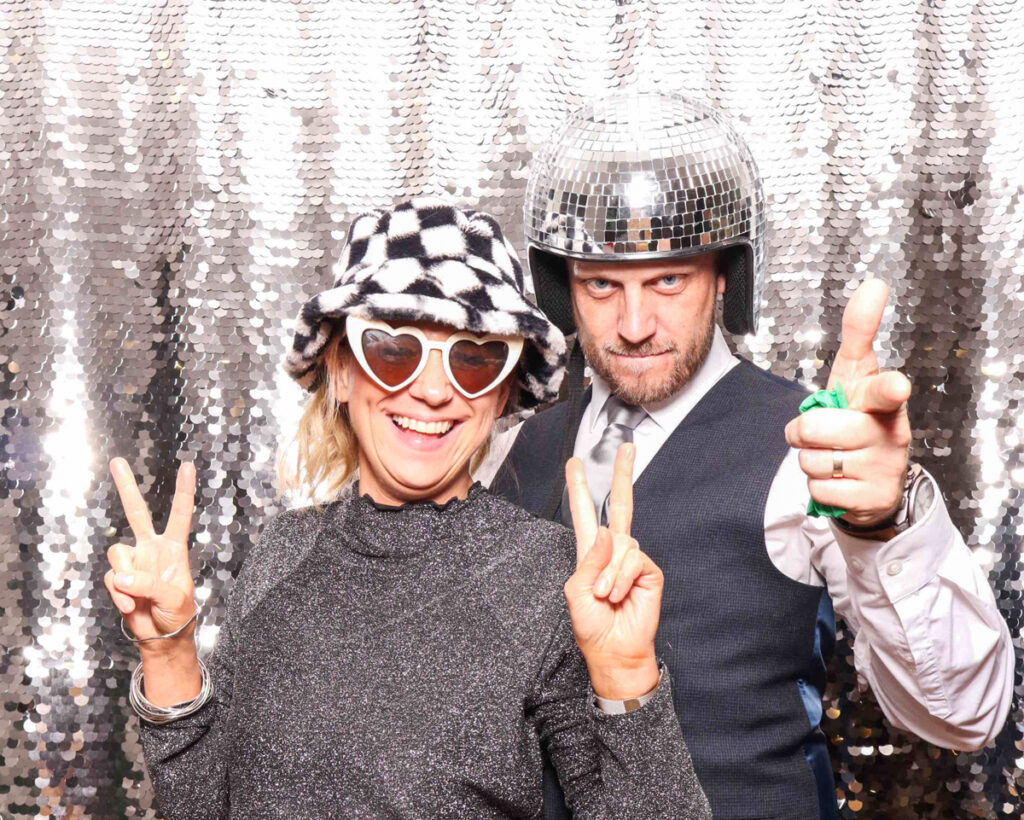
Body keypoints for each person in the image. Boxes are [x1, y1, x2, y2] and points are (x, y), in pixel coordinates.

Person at [491, 91, 1015, 820]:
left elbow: (965, 715)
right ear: (563, 289)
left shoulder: (812, 446)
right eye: (602, 284)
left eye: (668, 280)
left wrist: (885, 524)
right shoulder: (516, 449)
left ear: (725, 278)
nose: (634, 325)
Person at [100, 198, 712, 819]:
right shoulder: (283, 551)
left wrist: (626, 675)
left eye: (474, 358)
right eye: (394, 349)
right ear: (341, 371)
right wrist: (168, 653)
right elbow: (204, 808)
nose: (433, 389)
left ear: (502, 394)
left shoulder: (547, 575)